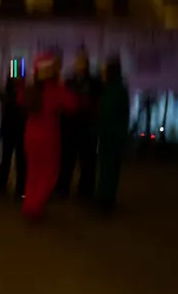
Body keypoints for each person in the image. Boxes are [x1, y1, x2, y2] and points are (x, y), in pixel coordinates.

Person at [20, 52, 80, 220]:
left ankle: (28, 205)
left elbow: (19, 100)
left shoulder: (31, 89)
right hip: (48, 139)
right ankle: (35, 206)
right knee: (48, 174)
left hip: (30, 137)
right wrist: (61, 82)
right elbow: (73, 104)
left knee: (33, 173)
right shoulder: (54, 90)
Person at [56, 50, 100, 200]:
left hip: (84, 126)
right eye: (78, 62)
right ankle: (64, 188)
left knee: (85, 161)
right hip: (72, 126)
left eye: (81, 62)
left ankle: (84, 191)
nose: (79, 65)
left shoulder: (92, 82)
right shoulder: (71, 81)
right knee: (68, 160)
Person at [94, 56, 130, 213]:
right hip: (114, 135)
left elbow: (105, 113)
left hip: (109, 135)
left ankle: (105, 199)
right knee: (110, 169)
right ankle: (107, 198)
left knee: (107, 168)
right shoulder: (119, 89)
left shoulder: (110, 90)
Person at [0, 71, 28, 199]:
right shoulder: (22, 92)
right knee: (19, 161)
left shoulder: (6, 93)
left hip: (9, 129)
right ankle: (20, 189)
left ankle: (1, 186)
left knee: (6, 159)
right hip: (19, 130)